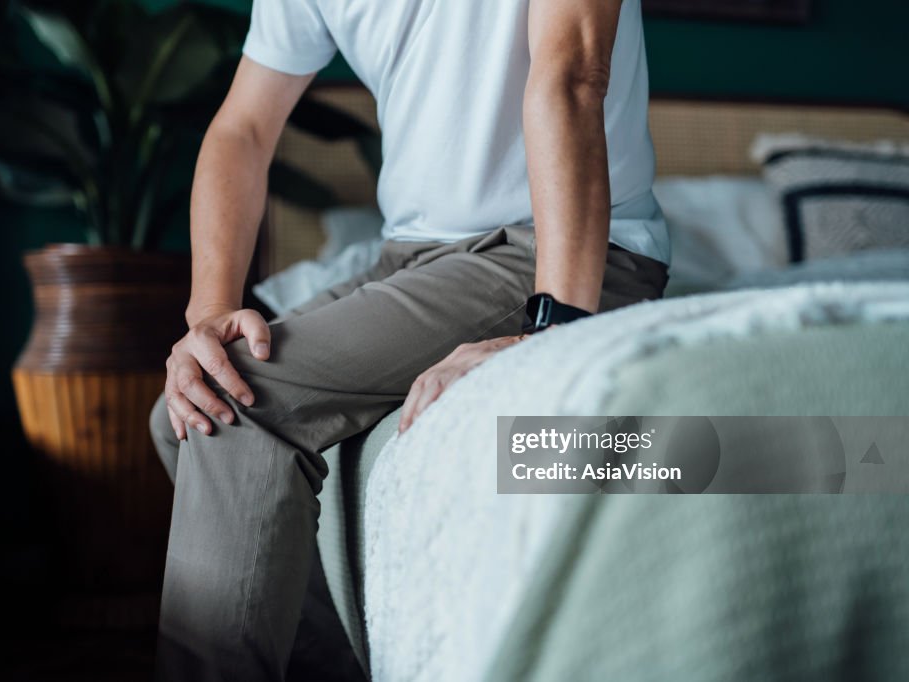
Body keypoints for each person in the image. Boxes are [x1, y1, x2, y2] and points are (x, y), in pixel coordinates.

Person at [149, 0, 670, 678]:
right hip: (413, 256)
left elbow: (572, 73)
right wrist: (209, 315)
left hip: (557, 254)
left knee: (240, 400)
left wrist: (557, 330)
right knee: (185, 413)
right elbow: (242, 129)